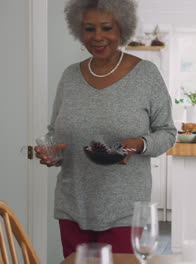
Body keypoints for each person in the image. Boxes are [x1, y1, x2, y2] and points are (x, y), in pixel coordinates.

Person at [34, 0, 176, 257]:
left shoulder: (146, 74)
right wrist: (52, 151)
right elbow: (54, 130)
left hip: (124, 207)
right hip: (73, 203)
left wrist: (140, 143)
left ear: (122, 29)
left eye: (107, 27)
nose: (97, 36)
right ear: (80, 31)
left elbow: (167, 132)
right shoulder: (69, 76)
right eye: (89, 28)